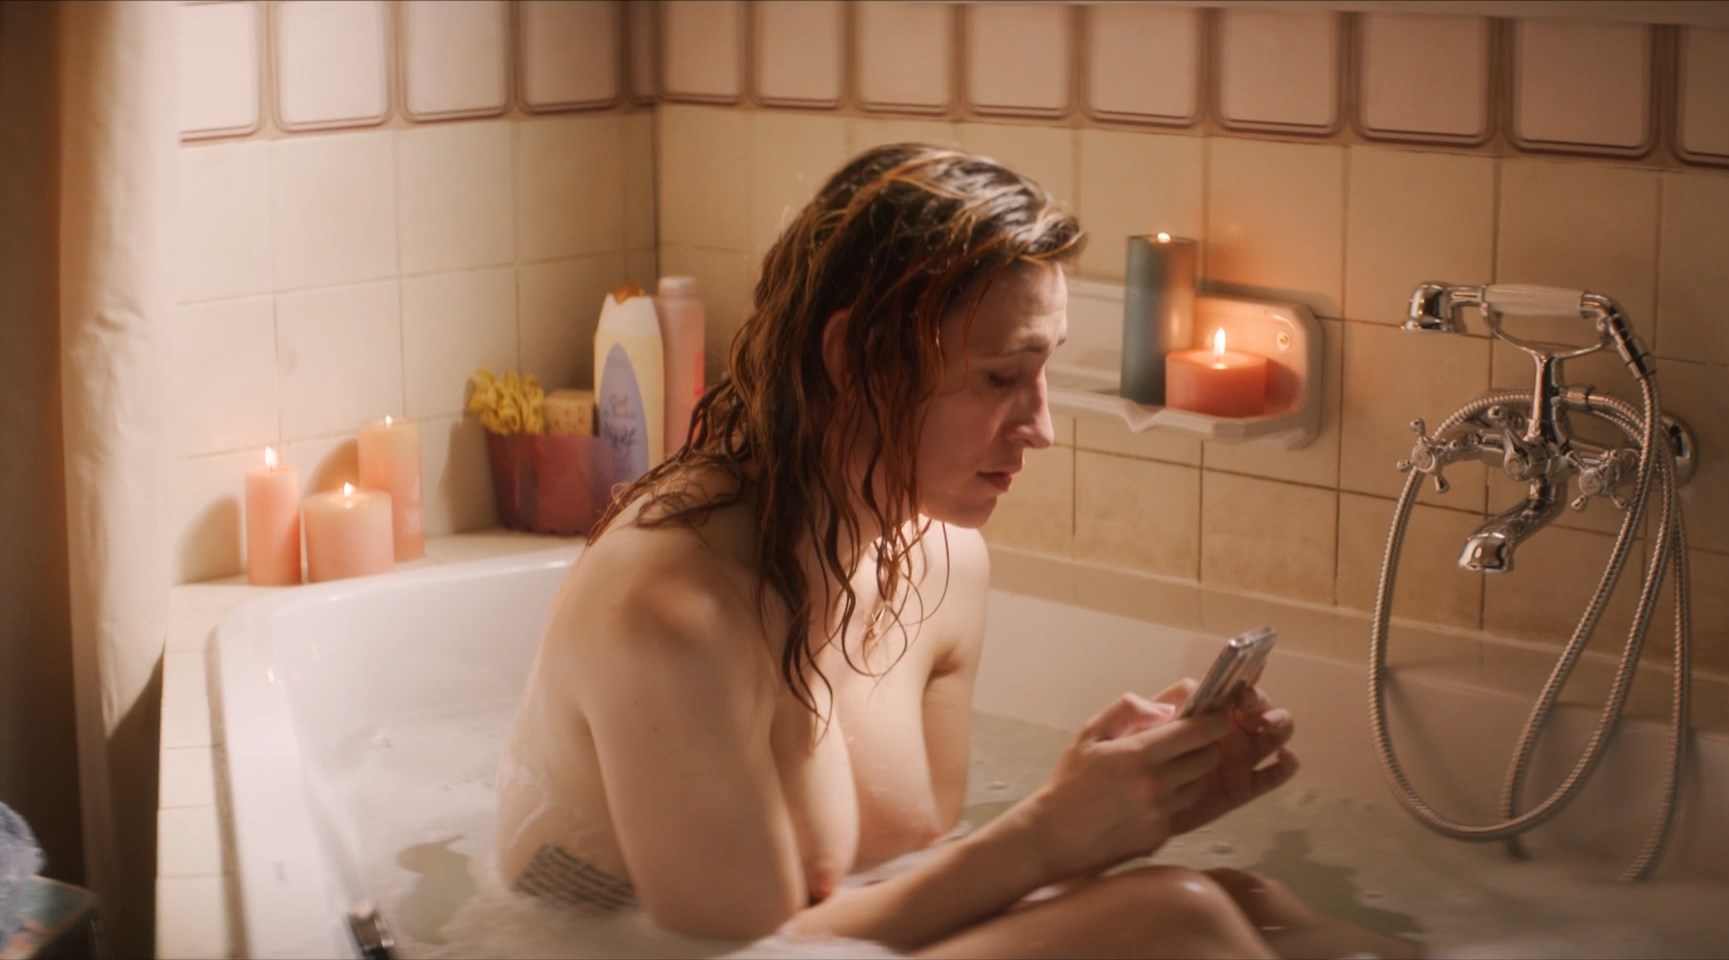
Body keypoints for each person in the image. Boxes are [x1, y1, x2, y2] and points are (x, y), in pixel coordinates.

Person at [494, 143, 1397, 959]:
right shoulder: (673, 615)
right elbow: (740, 955)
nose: (1041, 427)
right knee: (1178, 918)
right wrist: (1051, 833)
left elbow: (911, 891)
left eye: (1043, 372)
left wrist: (1116, 810)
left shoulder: (940, 563)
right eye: (1002, 376)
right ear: (855, 358)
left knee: (1252, 904)